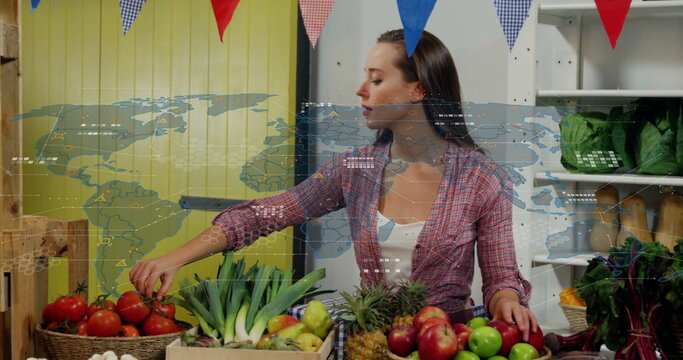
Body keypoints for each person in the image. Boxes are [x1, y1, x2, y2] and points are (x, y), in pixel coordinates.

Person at [130, 29, 538, 340]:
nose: (361, 90)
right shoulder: (355, 169)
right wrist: (175, 258)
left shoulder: (482, 179)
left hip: (446, 342)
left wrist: (506, 303)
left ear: (418, 89)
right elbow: (265, 214)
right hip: (371, 342)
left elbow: (502, 276)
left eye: (376, 80)